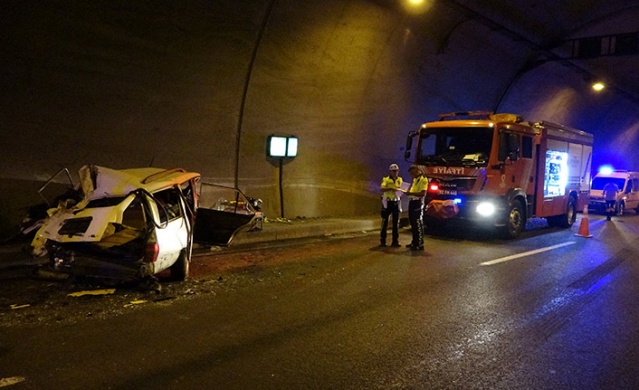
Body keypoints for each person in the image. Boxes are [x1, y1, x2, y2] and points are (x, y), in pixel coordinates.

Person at [404, 164, 428, 250]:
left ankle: (419, 243)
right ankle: (414, 241)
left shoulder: (423, 179)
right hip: (412, 201)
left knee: (417, 223)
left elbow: (423, 193)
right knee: (412, 223)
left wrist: (410, 193)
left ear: (416, 171)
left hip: (417, 202)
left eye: (412, 173)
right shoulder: (415, 179)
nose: (411, 176)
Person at [379, 163, 403, 247]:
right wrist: (391, 188)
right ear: (390, 171)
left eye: (396, 171)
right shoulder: (386, 179)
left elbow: (402, 188)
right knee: (385, 222)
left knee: (396, 223)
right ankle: (382, 241)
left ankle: (395, 241)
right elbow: (382, 188)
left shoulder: (400, 179)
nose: (395, 172)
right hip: (388, 202)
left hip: (396, 201)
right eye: (393, 171)